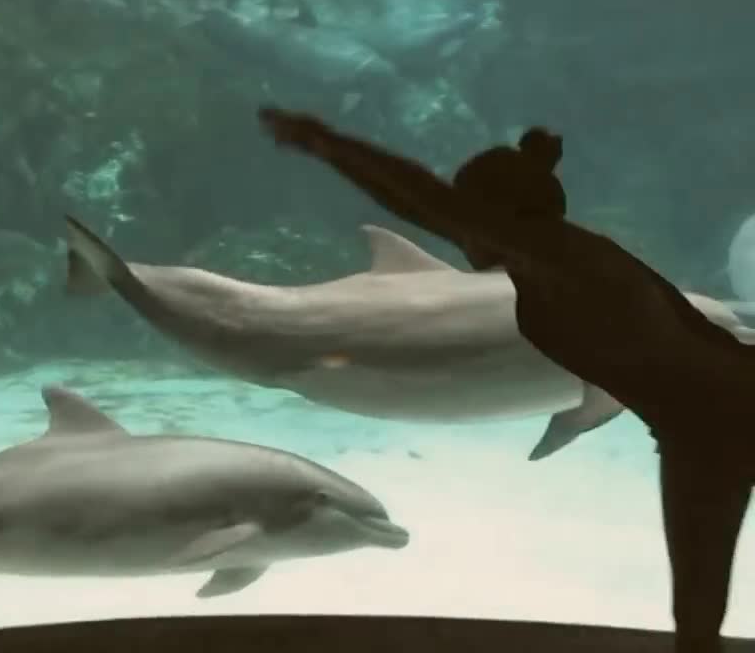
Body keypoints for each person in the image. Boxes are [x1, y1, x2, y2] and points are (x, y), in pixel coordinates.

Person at [257, 107, 753, 653]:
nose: (459, 234)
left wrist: (328, 144)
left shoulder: (555, 257)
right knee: (698, 609)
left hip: (724, 418)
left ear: (491, 215)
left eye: (469, 217)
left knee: (699, 606)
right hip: (703, 428)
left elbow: (420, 197)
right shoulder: (559, 255)